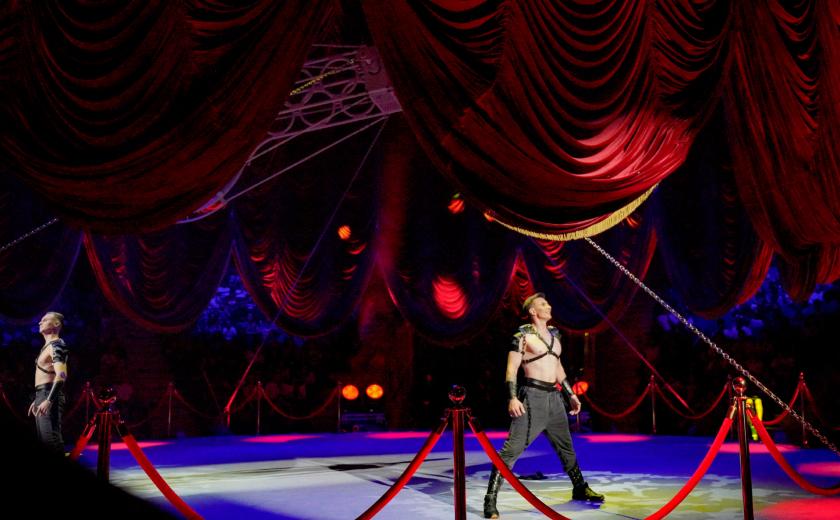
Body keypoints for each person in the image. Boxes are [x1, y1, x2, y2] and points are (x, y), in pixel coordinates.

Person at [484, 293, 603, 518]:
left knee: (566, 447)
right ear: (533, 311)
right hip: (532, 397)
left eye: (547, 302)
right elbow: (511, 369)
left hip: (554, 398)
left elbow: (558, 368)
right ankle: (490, 499)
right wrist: (512, 397)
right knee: (511, 450)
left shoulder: (555, 335)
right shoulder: (522, 336)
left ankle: (579, 487)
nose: (548, 306)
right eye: (543, 304)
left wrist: (570, 394)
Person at [28, 312, 69, 456]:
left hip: (49, 395)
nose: (40, 323)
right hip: (43, 394)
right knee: (45, 443)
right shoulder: (48, 346)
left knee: (51, 441)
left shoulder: (58, 345)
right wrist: (39, 398)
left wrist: (49, 399)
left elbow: (61, 374)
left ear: (56, 324)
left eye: (45, 320)